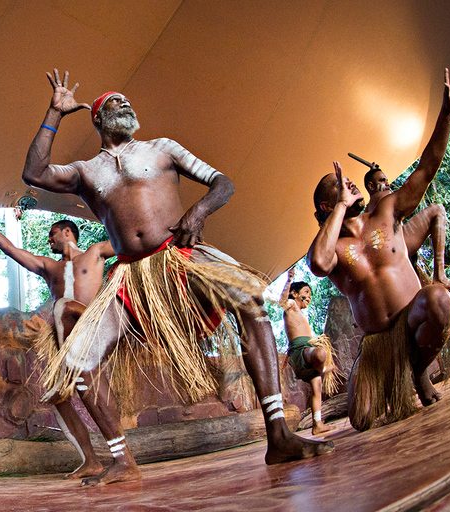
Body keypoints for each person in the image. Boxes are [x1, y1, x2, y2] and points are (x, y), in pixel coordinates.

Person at [22, 69, 333, 486]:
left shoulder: (163, 149)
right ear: (97, 118)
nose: (125, 105)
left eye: (127, 101)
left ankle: (278, 434)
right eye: (115, 102)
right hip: (132, 278)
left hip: (181, 258)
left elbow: (223, 182)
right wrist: (54, 113)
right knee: (78, 357)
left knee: (250, 300)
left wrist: (199, 211)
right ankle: (121, 458)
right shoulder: (85, 171)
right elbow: (35, 172)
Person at [307, 69, 450, 432]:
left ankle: (418, 372)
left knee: (438, 300)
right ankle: (389, 373)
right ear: (329, 207)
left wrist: (446, 116)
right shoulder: (335, 247)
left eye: (346, 180)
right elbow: (318, 263)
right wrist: (343, 207)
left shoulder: (387, 211)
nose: (347, 182)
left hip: (413, 317)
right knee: (361, 419)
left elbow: (426, 169)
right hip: (377, 344)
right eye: (337, 185)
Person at [0, 202, 110, 479]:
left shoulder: (96, 252)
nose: (48, 239)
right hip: (65, 342)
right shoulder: (50, 267)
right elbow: (12, 250)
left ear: (67, 232)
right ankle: (91, 460)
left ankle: (118, 454)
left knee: (65, 308)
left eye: (52, 234)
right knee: (59, 399)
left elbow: (132, 241)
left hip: (93, 329)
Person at [363, 166, 450, 289]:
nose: (387, 184)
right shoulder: (380, 199)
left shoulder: (370, 209)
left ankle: (439, 277)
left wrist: (374, 173)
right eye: (382, 181)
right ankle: (439, 276)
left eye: (387, 180)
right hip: (392, 247)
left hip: (396, 246)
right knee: (437, 209)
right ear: (371, 186)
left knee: (437, 210)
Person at [280, 267, 338, 435]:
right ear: (295, 294)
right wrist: (289, 280)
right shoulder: (291, 306)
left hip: (307, 350)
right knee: (321, 353)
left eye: (310, 293)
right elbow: (281, 301)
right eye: (306, 292)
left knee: (317, 387)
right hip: (300, 351)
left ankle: (317, 424)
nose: (309, 296)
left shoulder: (302, 314)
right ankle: (324, 368)